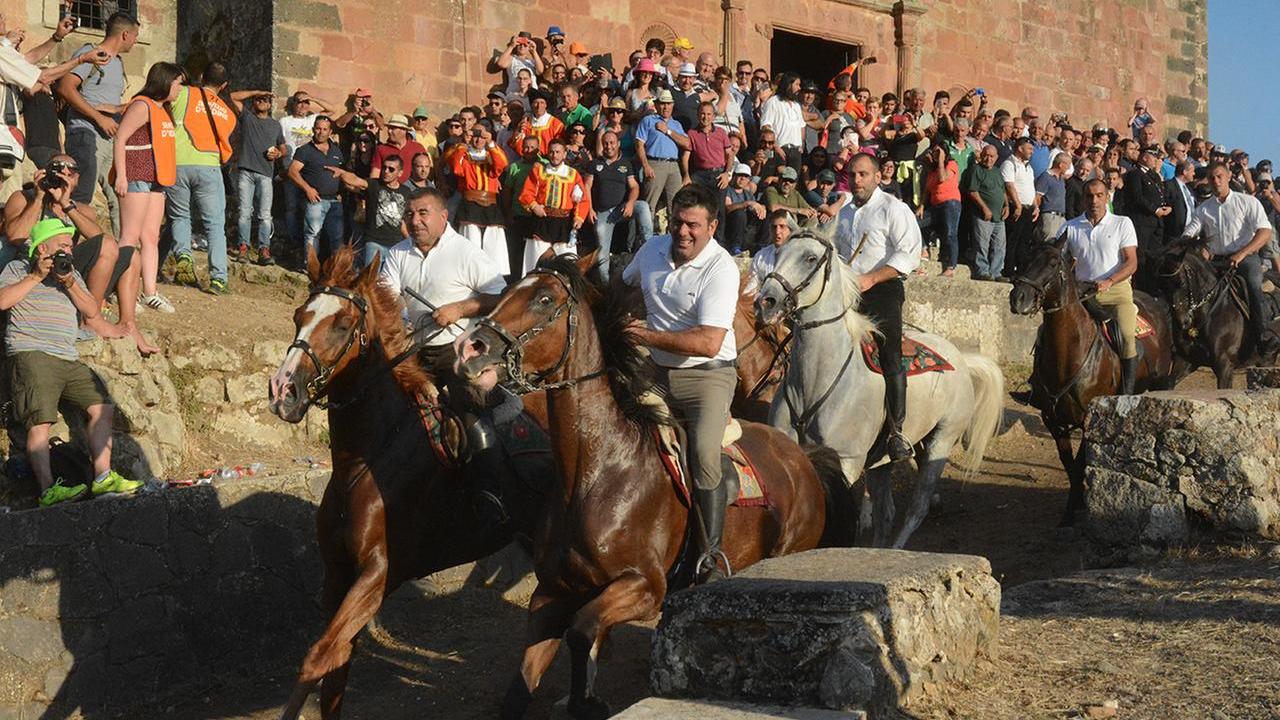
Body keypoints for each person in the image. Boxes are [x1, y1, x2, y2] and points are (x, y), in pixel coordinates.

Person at [622, 184, 739, 582]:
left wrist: (644, 335)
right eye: (676, 222)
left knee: (704, 455)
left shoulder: (721, 268)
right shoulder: (651, 250)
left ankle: (710, 557)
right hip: (655, 371)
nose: (683, 232)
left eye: (693, 225)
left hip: (708, 376)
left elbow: (708, 343)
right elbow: (623, 286)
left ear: (712, 227)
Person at [0, 218, 143, 507]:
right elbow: (2, 301)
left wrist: (69, 283)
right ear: (43, 248)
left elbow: (92, 311)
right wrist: (36, 277)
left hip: (68, 355)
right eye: (63, 244)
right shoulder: (17, 269)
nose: (69, 249)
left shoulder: (71, 274)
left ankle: (103, 477)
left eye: (70, 245)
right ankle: (48, 490)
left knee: (102, 406)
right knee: (40, 421)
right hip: (32, 352)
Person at [2, 154, 154, 353]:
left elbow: (102, 242)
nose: (64, 176)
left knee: (131, 255)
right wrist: (40, 197)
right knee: (108, 245)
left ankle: (128, 323)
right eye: (58, 170)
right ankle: (92, 319)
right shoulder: (24, 198)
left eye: (70, 172)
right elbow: (15, 236)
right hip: (36, 264)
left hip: (67, 266)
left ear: (76, 180)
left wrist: (66, 205)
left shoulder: (81, 209)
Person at [834, 153, 921, 462]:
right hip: (848, 291)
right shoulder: (844, 214)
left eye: (863, 174)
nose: (857, 180)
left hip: (883, 289)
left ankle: (898, 432)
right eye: (852, 175)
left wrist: (871, 278)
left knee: (890, 353)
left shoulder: (894, 209)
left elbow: (908, 255)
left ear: (877, 177)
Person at [379, 188, 506, 375]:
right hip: (415, 349)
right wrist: (397, 321)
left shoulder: (467, 253)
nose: (414, 221)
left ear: (443, 216)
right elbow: (387, 297)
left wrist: (460, 309)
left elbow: (502, 298)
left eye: (423, 213)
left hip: (461, 349)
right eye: (409, 214)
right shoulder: (397, 253)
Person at [167, 63, 263, 295]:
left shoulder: (186, 92)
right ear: (224, 85)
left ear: (201, 76)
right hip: (209, 166)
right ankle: (219, 279)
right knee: (215, 225)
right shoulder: (228, 114)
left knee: (180, 215)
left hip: (178, 163)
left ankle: (184, 258)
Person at [57, 11, 140, 238]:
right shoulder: (90, 53)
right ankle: (65, 251)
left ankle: (125, 258)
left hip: (108, 140)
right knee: (80, 197)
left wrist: (119, 109)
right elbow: (65, 88)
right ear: (125, 34)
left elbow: (102, 100)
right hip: (86, 135)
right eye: (135, 36)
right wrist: (99, 118)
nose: (135, 42)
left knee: (120, 196)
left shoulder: (118, 63)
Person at [110, 61, 182, 319]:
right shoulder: (142, 105)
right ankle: (115, 288)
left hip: (155, 179)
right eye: (178, 83)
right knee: (129, 236)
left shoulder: (163, 109)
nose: (180, 89)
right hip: (136, 174)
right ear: (165, 82)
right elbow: (121, 137)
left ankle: (149, 292)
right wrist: (122, 175)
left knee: (151, 237)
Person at [1182, 161, 1277, 357]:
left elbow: (1265, 231)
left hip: (1246, 258)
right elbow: (1190, 232)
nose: (1216, 181)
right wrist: (1185, 244)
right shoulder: (1203, 209)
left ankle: (1263, 337)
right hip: (1216, 261)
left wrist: (1242, 253)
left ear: (1228, 177)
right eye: (1212, 177)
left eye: (1219, 176)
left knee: (1253, 285)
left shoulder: (1247, 202)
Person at [1057, 179, 1140, 393]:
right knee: (1045, 331)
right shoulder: (1070, 226)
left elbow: (1131, 261)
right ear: (1083, 198)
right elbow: (1060, 261)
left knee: (1126, 335)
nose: (1094, 200)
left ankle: (1127, 394)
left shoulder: (1122, 223)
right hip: (1082, 295)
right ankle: (1036, 385)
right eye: (1089, 196)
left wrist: (1110, 281)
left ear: (1107, 197)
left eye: (1099, 195)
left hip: (1116, 291)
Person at [518, 139, 590, 275]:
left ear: (564, 154)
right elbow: (526, 193)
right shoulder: (539, 171)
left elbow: (582, 200)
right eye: (551, 152)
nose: (554, 155)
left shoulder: (573, 174)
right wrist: (534, 206)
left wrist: (579, 218)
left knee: (568, 264)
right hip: (542, 221)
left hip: (564, 223)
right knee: (534, 261)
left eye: (558, 152)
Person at [232, 91, 286, 265]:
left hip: (265, 174)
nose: (262, 102)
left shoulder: (276, 125)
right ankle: (243, 248)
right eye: (259, 100)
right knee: (244, 213)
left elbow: (283, 148)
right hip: (246, 171)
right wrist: (257, 91)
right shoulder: (247, 118)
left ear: (270, 105)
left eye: (266, 100)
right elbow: (233, 97)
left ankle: (264, 250)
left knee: (265, 215)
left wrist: (278, 153)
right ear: (254, 102)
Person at [326, 154, 409, 267]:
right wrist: (342, 173)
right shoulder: (374, 184)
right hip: (374, 242)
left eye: (391, 169)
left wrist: (409, 240)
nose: (386, 171)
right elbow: (355, 180)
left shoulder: (406, 192)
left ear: (400, 173)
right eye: (384, 167)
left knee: (390, 281)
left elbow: (402, 220)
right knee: (369, 279)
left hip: (396, 244)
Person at [585, 129, 646, 276]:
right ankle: (605, 285)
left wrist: (631, 203)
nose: (609, 146)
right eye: (605, 143)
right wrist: (589, 209)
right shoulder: (595, 164)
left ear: (618, 144)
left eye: (612, 143)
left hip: (622, 209)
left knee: (643, 207)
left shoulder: (626, 164)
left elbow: (634, 186)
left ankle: (647, 245)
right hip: (603, 213)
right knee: (602, 251)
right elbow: (586, 186)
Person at [449, 126, 511, 271]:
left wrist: (491, 143)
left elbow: (502, 164)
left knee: (495, 246)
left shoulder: (491, 155)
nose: (478, 140)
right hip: (470, 204)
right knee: (470, 243)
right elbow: (456, 169)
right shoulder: (464, 155)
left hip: (491, 204)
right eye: (475, 136)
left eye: (481, 136)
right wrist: (463, 145)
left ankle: (496, 279)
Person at [287, 115, 345, 261]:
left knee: (337, 237)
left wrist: (342, 192)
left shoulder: (337, 151)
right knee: (313, 234)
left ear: (330, 131)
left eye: (325, 129)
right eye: (318, 128)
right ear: (313, 129)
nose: (321, 132)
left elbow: (342, 172)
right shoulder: (305, 150)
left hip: (335, 202)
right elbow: (292, 171)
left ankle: (335, 272)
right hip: (315, 200)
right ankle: (310, 268)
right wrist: (307, 189)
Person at [635, 90, 691, 234]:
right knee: (649, 205)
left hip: (673, 165)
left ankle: (673, 237)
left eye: (668, 104)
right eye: (663, 104)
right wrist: (646, 165)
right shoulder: (648, 120)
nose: (666, 107)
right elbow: (639, 144)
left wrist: (668, 131)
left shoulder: (676, 124)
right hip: (654, 163)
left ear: (672, 105)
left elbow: (687, 144)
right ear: (657, 105)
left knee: (676, 204)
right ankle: (644, 241)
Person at [499, 135, 542, 279]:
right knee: (516, 252)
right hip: (518, 215)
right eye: (526, 147)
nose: (529, 150)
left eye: (532, 147)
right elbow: (507, 192)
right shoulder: (514, 167)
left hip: (537, 217)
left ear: (538, 149)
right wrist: (508, 212)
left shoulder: (545, 166)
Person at [1001, 136, 1037, 277]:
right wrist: (1017, 205)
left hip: (1028, 209)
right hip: (1017, 208)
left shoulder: (1029, 167)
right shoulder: (1009, 164)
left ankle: (1020, 271)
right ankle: (1008, 271)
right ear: (1020, 148)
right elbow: (1009, 185)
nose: (1031, 152)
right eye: (1029, 149)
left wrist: (1036, 206)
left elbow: (1030, 188)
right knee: (1013, 241)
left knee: (1024, 242)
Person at [923, 145, 961, 275]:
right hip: (935, 206)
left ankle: (951, 267)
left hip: (950, 203)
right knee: (916, 222)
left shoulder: (951, 164)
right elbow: (927, 191)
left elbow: (942, 178)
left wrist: (941, 160)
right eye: (934, 151)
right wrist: (922, 206)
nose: (936, 153)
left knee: (951, 234)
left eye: (938, 151)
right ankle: (924, 248)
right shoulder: (932, 171)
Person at [370, 114, 426, 182]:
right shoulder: (381, 149)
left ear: (403, 130)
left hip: (413, 191)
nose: (389, 131)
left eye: (393, 128)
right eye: (389, 128)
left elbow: (426, 171)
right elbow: (375, 175)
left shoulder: (418, 148)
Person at [724, 163, 765, 254]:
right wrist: (746, 203)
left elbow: (754, 207)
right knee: (739, 213)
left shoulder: (748, 194)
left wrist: (761, 209)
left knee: (763, 214)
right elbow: (728, 208)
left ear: (749, 179)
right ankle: (735, 246)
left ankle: (761, 244)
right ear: (734, 176)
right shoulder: (727, 190)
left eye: (746, 176)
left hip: (746, 225)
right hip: (730, 225)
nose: (742, 178)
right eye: (740, 175)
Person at [1034, 152, 1071, 243]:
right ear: (1061, 165)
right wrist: (1037, 209)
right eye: (1068, 165)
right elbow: (1037, 196)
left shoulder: (1061, 179)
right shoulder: (1045, 177)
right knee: (1049, 245)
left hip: (1061, 218)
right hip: (1050, 217)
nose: (1069, 168)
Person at [749, 209, 793, 281]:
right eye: (774, 227)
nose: (777, 232)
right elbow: (751, 287)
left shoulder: (799, 257)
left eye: (782, 226)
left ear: (791, 230)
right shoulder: (760, 256)